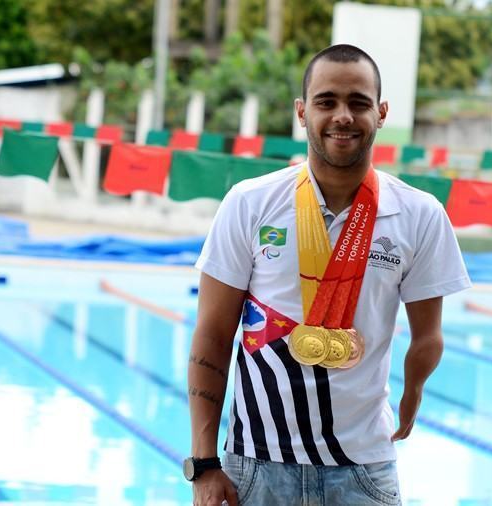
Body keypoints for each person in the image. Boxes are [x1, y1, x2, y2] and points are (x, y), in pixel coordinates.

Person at [186, 44, 470, 505]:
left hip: (363, 469)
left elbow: (428, 336)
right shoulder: (250, 203)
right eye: (326, 101)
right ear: (302, 112)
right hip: (256, 467)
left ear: (380, 114)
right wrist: (203, 463)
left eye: (358, 102)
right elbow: (214, 333)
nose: (343, 115)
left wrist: (413, 391)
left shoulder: (419, 215)